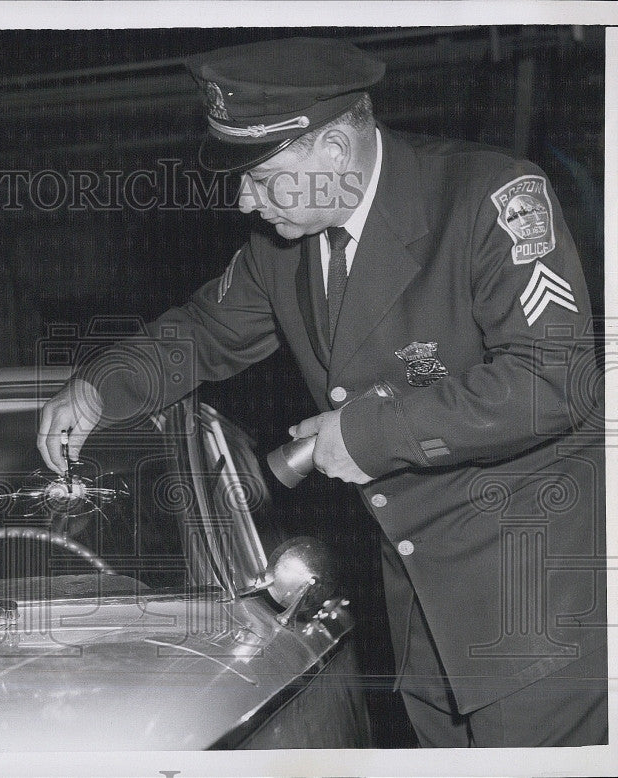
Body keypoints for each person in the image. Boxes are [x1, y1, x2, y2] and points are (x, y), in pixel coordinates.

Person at [37, 36, 607, 747]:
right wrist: (97, 387)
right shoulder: (283, 253)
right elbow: (200, 334)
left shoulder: (489, 200)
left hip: (534, 617)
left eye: (263, 175)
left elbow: (552, 382)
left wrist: (368, 435)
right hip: (424, 624)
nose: (245, 199)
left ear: (335, 150)